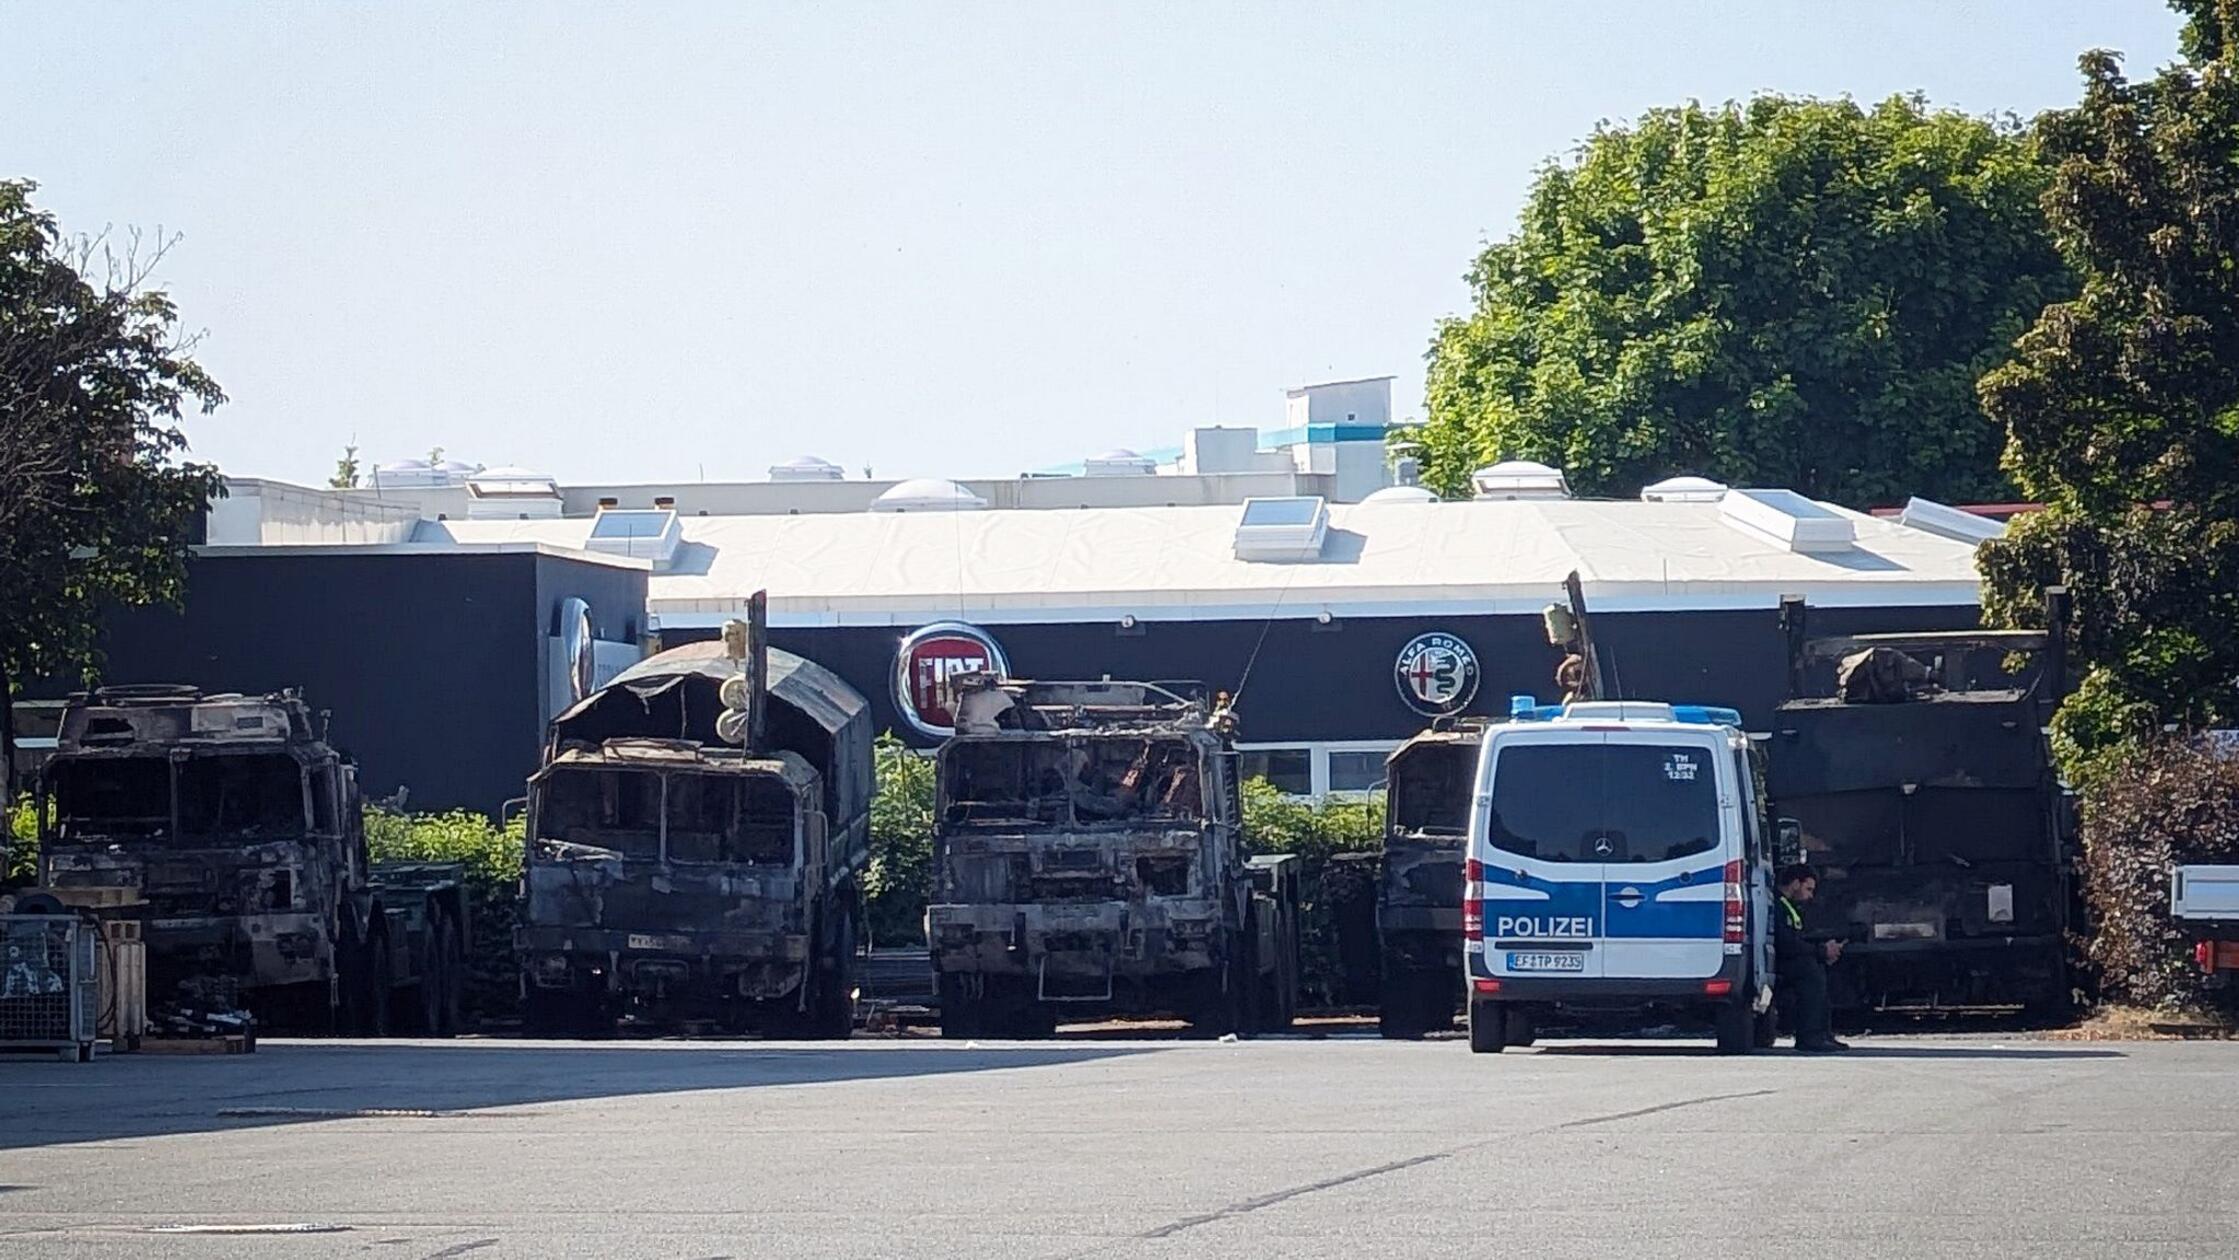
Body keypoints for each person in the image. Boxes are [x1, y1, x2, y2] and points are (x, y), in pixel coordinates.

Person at [1774, 863, 1849, 1053]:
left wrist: (1822, 951)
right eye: (1808, 889)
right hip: (1779, 961)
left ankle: (1823, 1034)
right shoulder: (1777, 904)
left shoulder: (1788, 905)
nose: (1810, 896)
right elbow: (1785, 942)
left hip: (1786, 958)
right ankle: (1810, 1037)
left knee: (1816, 968)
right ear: (1795, 883)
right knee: (1810, 974)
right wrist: (1821, 951)